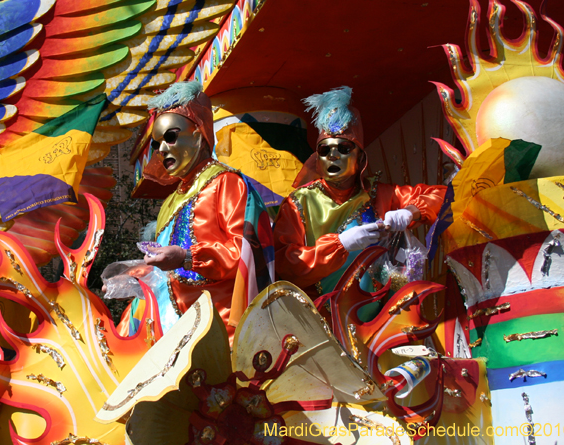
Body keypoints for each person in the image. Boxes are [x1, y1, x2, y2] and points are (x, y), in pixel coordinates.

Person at [118, 81, 273, 339]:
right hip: (170, 329)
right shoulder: (169, 202)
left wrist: (187, 257)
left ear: (199, 134)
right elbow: (166, 274)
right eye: (156, 144)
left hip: (217, 331)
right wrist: (139, 277)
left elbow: (246, 253)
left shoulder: (226, 183)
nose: (162, 149)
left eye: (170, 136)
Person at [273, 87, 445, 299]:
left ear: (361, 158)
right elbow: (284, 264)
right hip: (319, 314)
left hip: (380, 311)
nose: (333, 155)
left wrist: (411, 211)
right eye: (325, 150)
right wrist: (340, 245)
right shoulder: (298, 203)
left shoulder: (380, 195)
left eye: (344, 148)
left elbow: (444, 196)